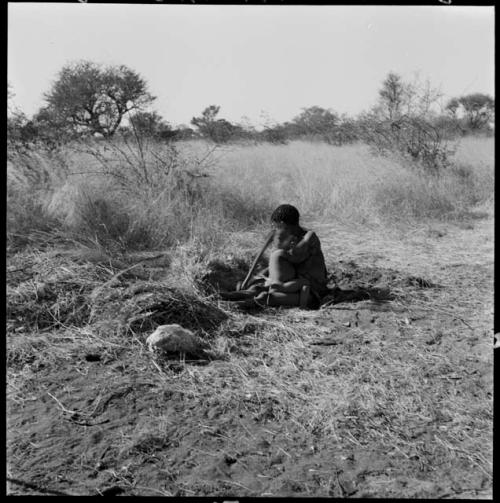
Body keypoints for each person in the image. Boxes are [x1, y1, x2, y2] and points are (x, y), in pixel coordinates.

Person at [220, 204, 328, 309]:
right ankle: (239, 295)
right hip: (294, 284)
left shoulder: (309, 237)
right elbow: (275, 267)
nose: (274, 229)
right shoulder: (289, 237)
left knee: (267, 296)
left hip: (311, 290)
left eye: (275, 226)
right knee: (257, 288)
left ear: (282, 224)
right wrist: (254, 279)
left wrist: (280, 243)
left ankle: (246, 304)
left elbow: (293, 256)